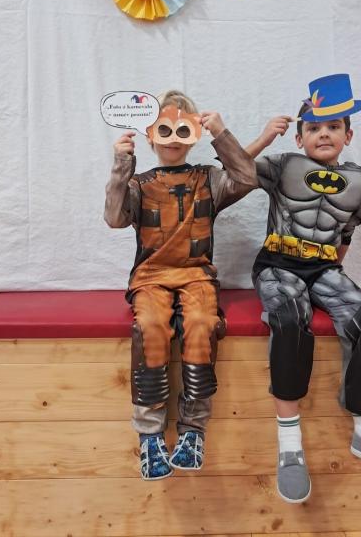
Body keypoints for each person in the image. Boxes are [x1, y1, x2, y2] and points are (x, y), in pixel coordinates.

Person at [245, 73, 361, 504]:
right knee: (290, 318)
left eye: (334, 126)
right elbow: (235, 171)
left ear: (348, 135)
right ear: (299, 137)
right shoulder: (284, 165)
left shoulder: (358, 181)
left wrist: (332, 276)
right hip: (278, 263)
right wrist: (264, 137)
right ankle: (289, 444)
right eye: (314, 127)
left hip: (323, 266)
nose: (324, 134)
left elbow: (346, 233)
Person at [104, 90, 257, 480]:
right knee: (150, 327)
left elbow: (246, 177)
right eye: (165, 129)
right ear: (151, 135)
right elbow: (115, 218)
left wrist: (222, 133)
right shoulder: (140, 184)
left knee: (202, 324)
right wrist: (121, 164)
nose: (173, 138)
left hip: (196, 275)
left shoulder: (208, 180)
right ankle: (150, 433)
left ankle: (193, 429)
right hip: (151, 276)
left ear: (194, 134)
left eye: (182, 129)